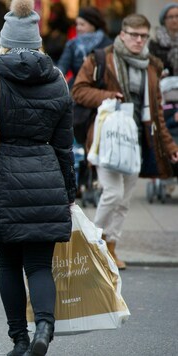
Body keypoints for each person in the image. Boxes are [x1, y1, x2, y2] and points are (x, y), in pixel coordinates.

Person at [0, 0, 75, 354]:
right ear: (37, 43)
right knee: (39, 265)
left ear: (4, 42)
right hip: (46, 180)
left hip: (0, 183)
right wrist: (69, 192)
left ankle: (20, 342)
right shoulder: (56, 81)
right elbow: (64, 146)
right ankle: (43, 327)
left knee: (9, 265)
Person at [72, 14, 178, 271]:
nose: (138, 40)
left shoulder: (152, 65)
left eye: (143, 36)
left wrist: (170, 146)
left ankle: (110, 246)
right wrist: (108, 96)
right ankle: (92, 242)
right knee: (113, 193)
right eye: (133, 35)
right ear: (122, 35)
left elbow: (155, 113)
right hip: (107, 137)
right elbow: (78, 91)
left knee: (125, 200)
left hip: (136, 140)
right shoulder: (100, 58)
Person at [58, 6, 113, 88]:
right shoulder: (72, 45)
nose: (78, 28)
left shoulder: (107, 44)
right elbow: (62, 67)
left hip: (101, 90)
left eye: (82, 24)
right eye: (77, 24)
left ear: (93, 25)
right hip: (76, 88)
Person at [149, 3, 178, 76]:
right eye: (170, 17)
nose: (174, 20)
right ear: (164, 19)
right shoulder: (155, 40)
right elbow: (151, 65)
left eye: (177, 16)